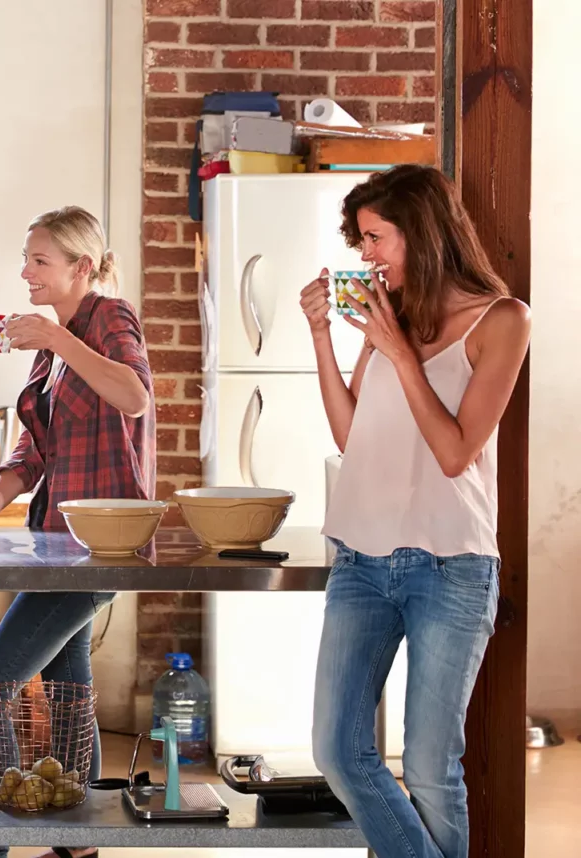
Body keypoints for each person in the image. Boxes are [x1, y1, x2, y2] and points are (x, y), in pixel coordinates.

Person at [303, 164, 529, 858]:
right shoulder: (385, 318)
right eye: (361, 241)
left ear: (422, 233)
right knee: (338, 751)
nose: (365, 255)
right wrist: (323, 338)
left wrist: (400, 352)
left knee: (431, 771)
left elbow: (457, 452)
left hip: (451, 565)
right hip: (361, 563)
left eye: (376, 238)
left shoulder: (501, 321)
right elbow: (353, 437)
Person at [0, 206, 154, 858]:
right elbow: (30, 455)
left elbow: (136, 395)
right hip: (58, 546)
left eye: (39, 260)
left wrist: (59, 342)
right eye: (26, 258)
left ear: (81, 268)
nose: (24, 271)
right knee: (69, 697)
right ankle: (78, 845)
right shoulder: (53, 346)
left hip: (101, 548)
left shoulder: (106, 319)